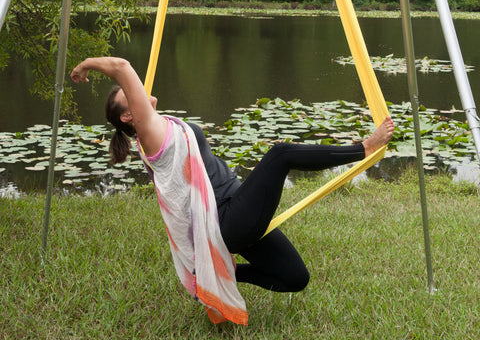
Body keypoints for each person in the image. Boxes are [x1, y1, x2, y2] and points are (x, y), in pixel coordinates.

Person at [71, 56, 394, 324]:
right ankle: (362, 149)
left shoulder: (161, 125)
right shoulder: (151, 134)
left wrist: (221, 271)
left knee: (295, 279)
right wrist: (86, 64)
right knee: (280, 154)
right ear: (129, 116)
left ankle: (218, 274)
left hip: (237, 209)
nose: (138, 90)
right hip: (227, 216)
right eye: (131, 94)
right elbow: (122, 67)